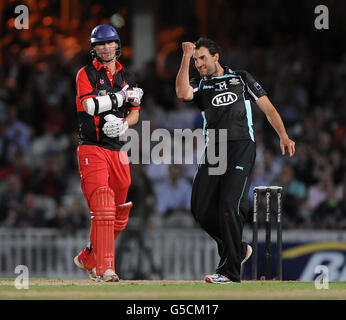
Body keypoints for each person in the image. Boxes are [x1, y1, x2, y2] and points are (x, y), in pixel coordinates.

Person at [175, 38, 295, 283]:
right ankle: (238, 250)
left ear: (216, 56)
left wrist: (283, 135)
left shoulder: (241, 78)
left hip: (241, 147)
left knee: (230, 205)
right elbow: (182, 92)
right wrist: (185, 57)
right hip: (214, 150)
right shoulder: (200, 84)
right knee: (200, 209)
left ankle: (228, 272)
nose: (199, 64)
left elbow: (269, 109)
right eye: (196, 59)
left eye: (202, 58)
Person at [73, 24, 144, 282]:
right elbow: (90, 106)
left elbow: (135, 111)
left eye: (109, 42)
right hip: (92, 146)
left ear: (117, 45)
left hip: (118, 147)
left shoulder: (129, 77)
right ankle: (106, 269)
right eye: (100, 44)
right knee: (103, 203)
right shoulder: (86, 73)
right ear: (94, 48)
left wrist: (126, 123)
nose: (105, 47)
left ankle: (88, 258)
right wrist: (120, 97)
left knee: (120, 211)